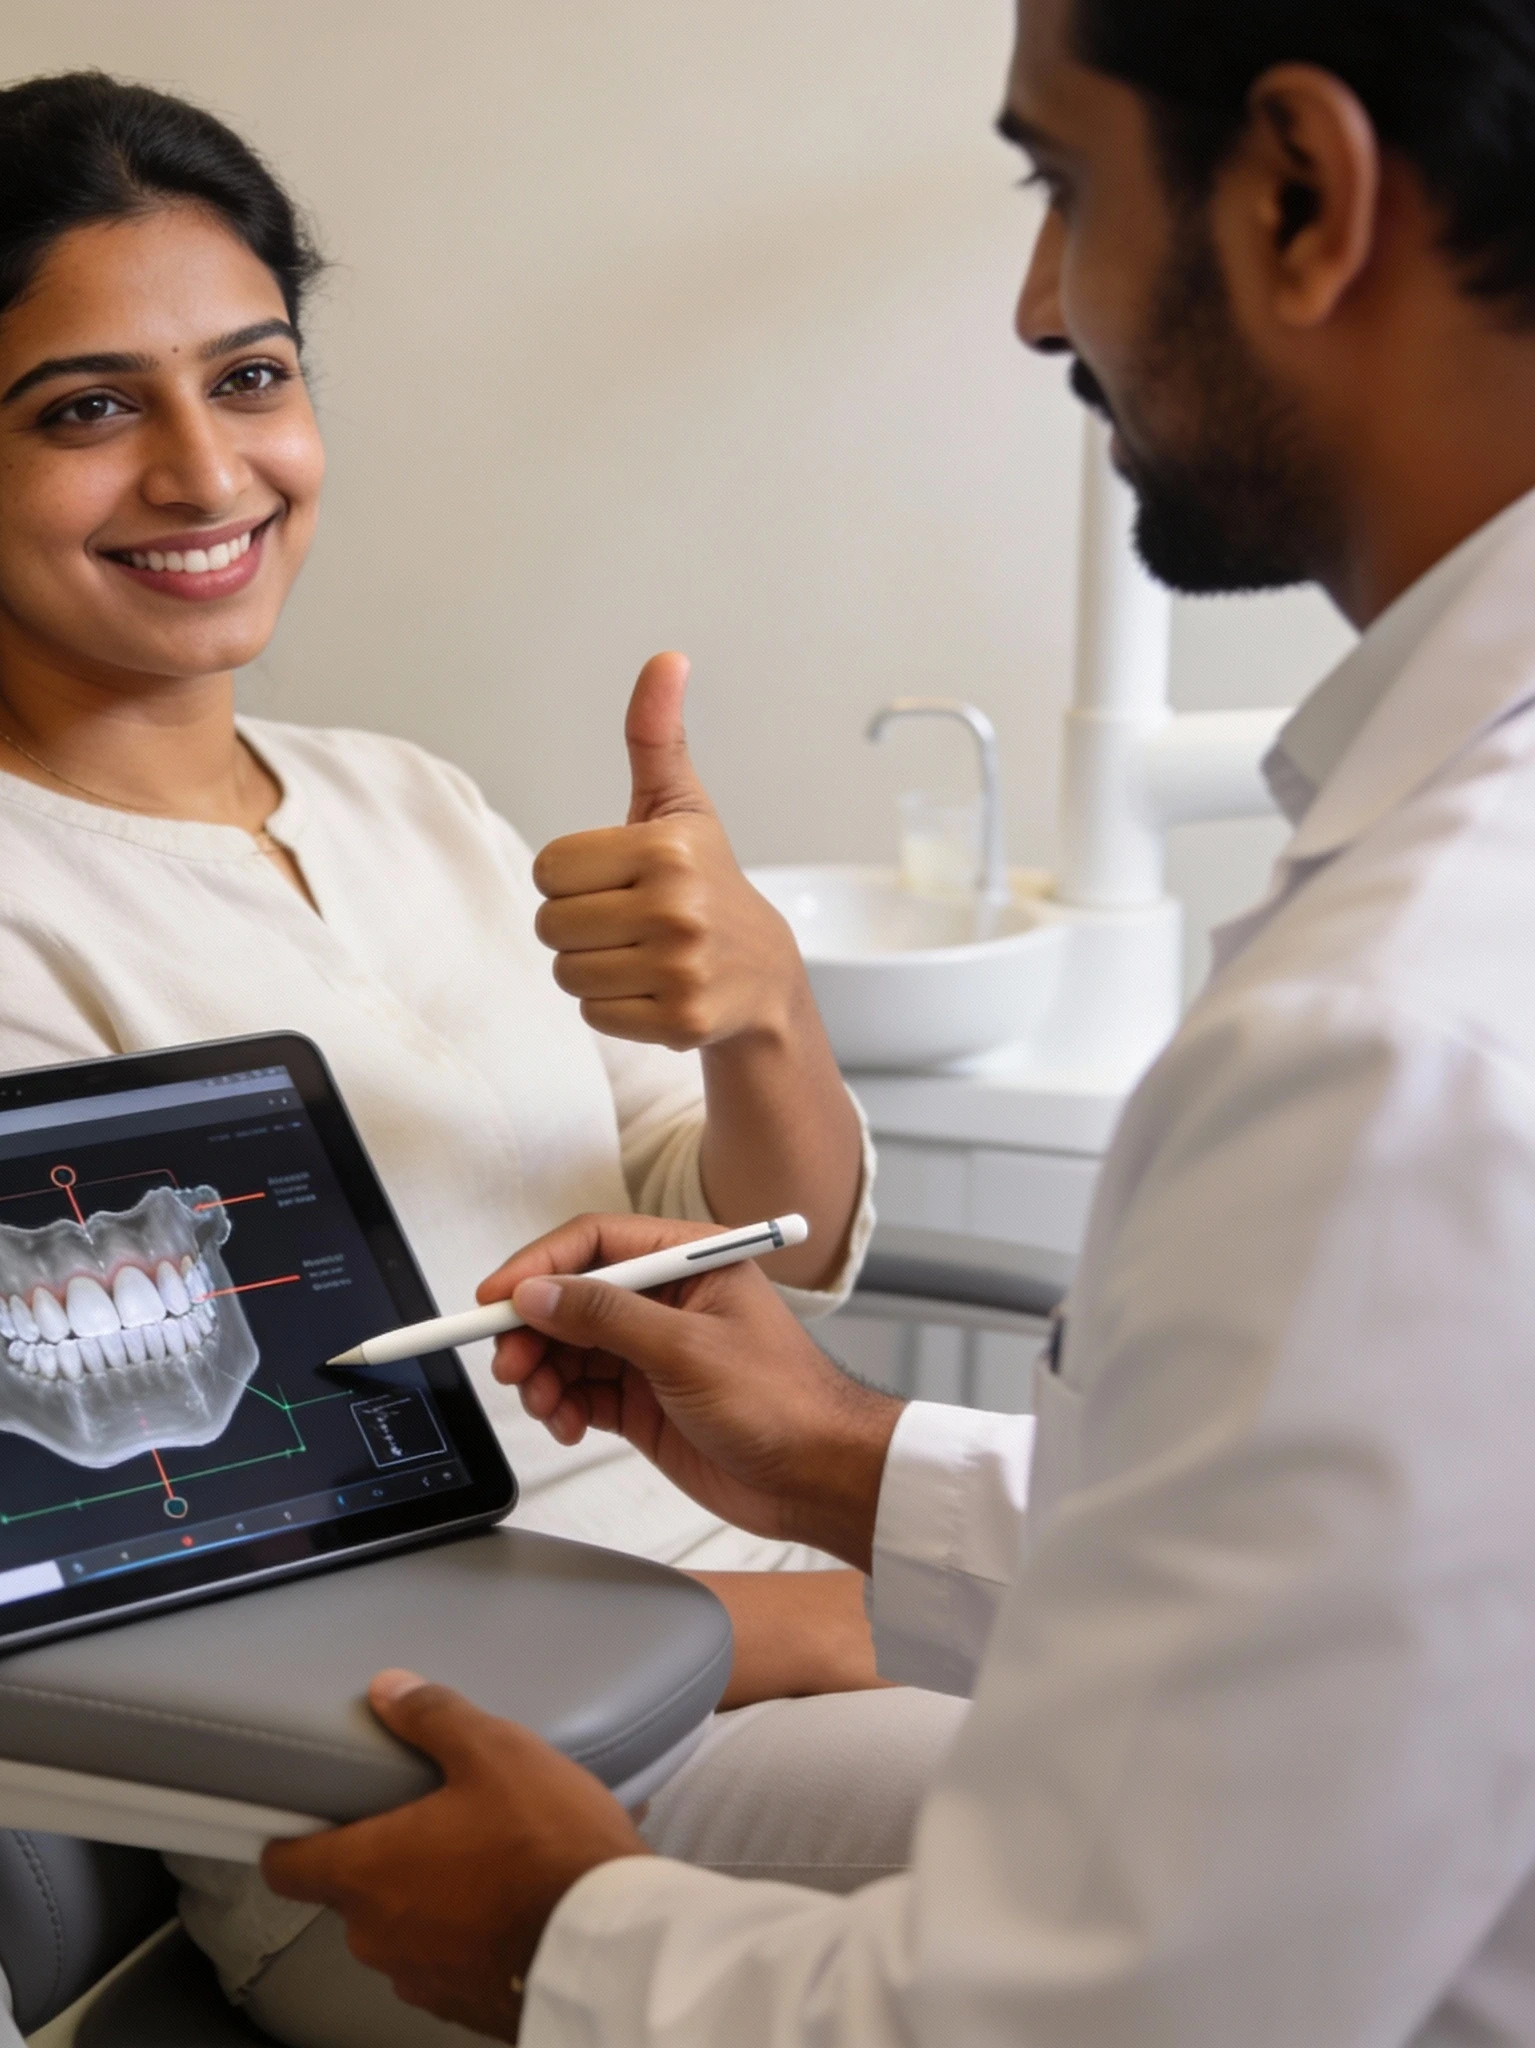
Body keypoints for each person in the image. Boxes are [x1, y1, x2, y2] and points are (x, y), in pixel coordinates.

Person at [259, 1, 1535, 2040]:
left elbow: (1122, 2011)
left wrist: (572, 1936)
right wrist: (852, 1464)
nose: (1039, 307)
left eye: (1059, 184)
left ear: (1299, 193)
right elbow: (1403, 1579)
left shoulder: (1390, 1040)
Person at [0, 75, 965, 2039]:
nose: (201, 468)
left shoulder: (397, 795)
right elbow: (176, 1571)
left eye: (248, 377)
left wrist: (762, 1010)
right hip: (458, 1788)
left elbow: (774, 1238)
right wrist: (820, 1620)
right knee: (1240, 1831)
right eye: (87, 409)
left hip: (741, 1618)